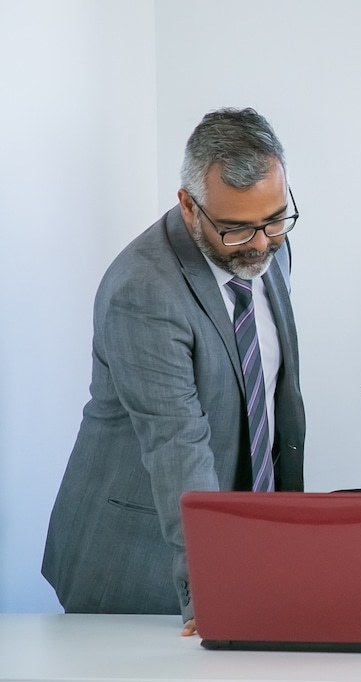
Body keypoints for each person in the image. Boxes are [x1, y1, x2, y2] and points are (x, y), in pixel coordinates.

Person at [42, 108, 305, 635]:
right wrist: (209, 587)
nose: (259, 244)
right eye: (235, 229)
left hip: (239, 545)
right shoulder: (144, 290)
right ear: (189, 205)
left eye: (274, 218)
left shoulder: (270, 248)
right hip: (135, 567)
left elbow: (268, 400)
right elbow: (176, 443)